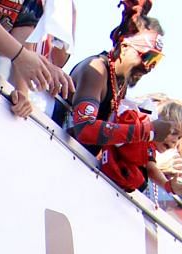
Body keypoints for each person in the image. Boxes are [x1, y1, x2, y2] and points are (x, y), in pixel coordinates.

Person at [63, 19, 164, 190]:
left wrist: (168, 184)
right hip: (54, 152)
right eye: (146, 56)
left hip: (73, 166)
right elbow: (85, 129)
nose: (148, 67)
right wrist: (145, 131)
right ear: (124, 46)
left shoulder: (120, 83)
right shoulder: (96, 70)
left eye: (155, 60)